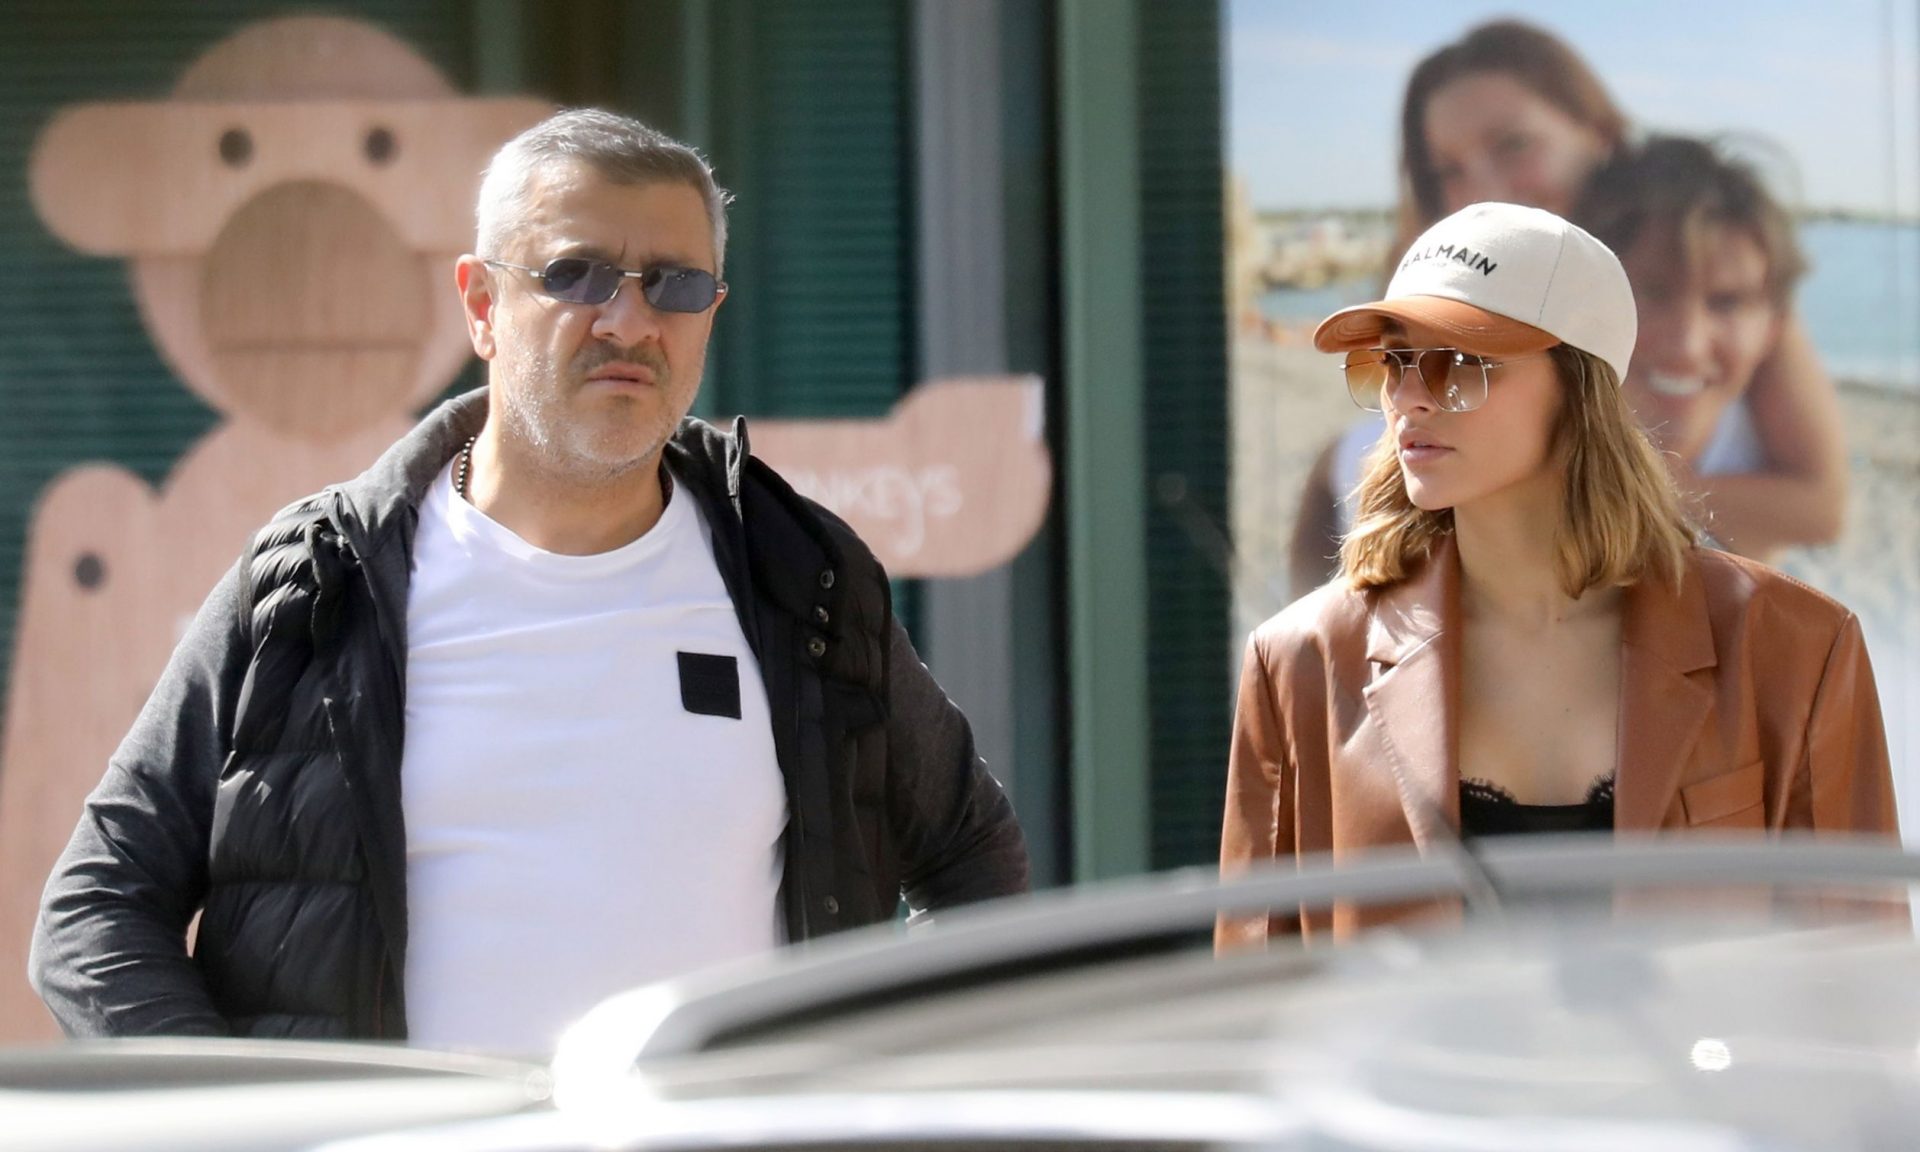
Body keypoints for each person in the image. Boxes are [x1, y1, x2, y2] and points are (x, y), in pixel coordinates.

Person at [29, 109, 1029, 1053]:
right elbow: (96, 909)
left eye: (676, 285)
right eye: (576, 275)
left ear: (711, 312)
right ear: (482, 305)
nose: (629, 320)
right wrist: (246, 1125)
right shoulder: (318, 582)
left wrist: (890, 1092)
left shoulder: (798, 576)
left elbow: (970, 856)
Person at [1222, 203, 1895, 945]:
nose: (1410, 396)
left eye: (1459, 364)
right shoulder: (1300, 663)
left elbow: (1858, 964)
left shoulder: (1795, 647)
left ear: (1581, 388)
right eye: (1394, 361)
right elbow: (1257, 986)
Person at [1286, 21, 1845, 593]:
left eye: (1513, 145)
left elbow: (1820, 500)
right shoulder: (1452, 270)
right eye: (1448, 170)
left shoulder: (1693, 254)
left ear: (1597, 134)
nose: (1483, 188)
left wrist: (1596, 483)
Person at [1577, 135, 1810, 556]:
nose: (1687, 345)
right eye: (1654, 293)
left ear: (1773, 330)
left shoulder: (1764, 453)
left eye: (1727, 302)